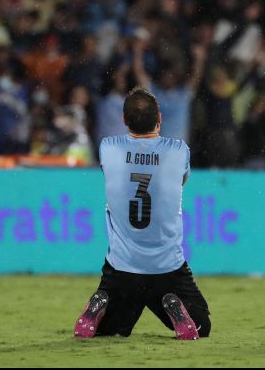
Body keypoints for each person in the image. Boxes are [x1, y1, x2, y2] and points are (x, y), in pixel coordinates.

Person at [73, 87, 210, 340]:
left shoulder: (108, 148)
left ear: (124, 119)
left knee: (107, 330)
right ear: (160, 117)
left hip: (122, 267)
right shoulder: (179, 150)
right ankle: (172, 302)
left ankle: (101, 301)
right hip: (168, 266)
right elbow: (179, 182)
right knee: (201, 325)